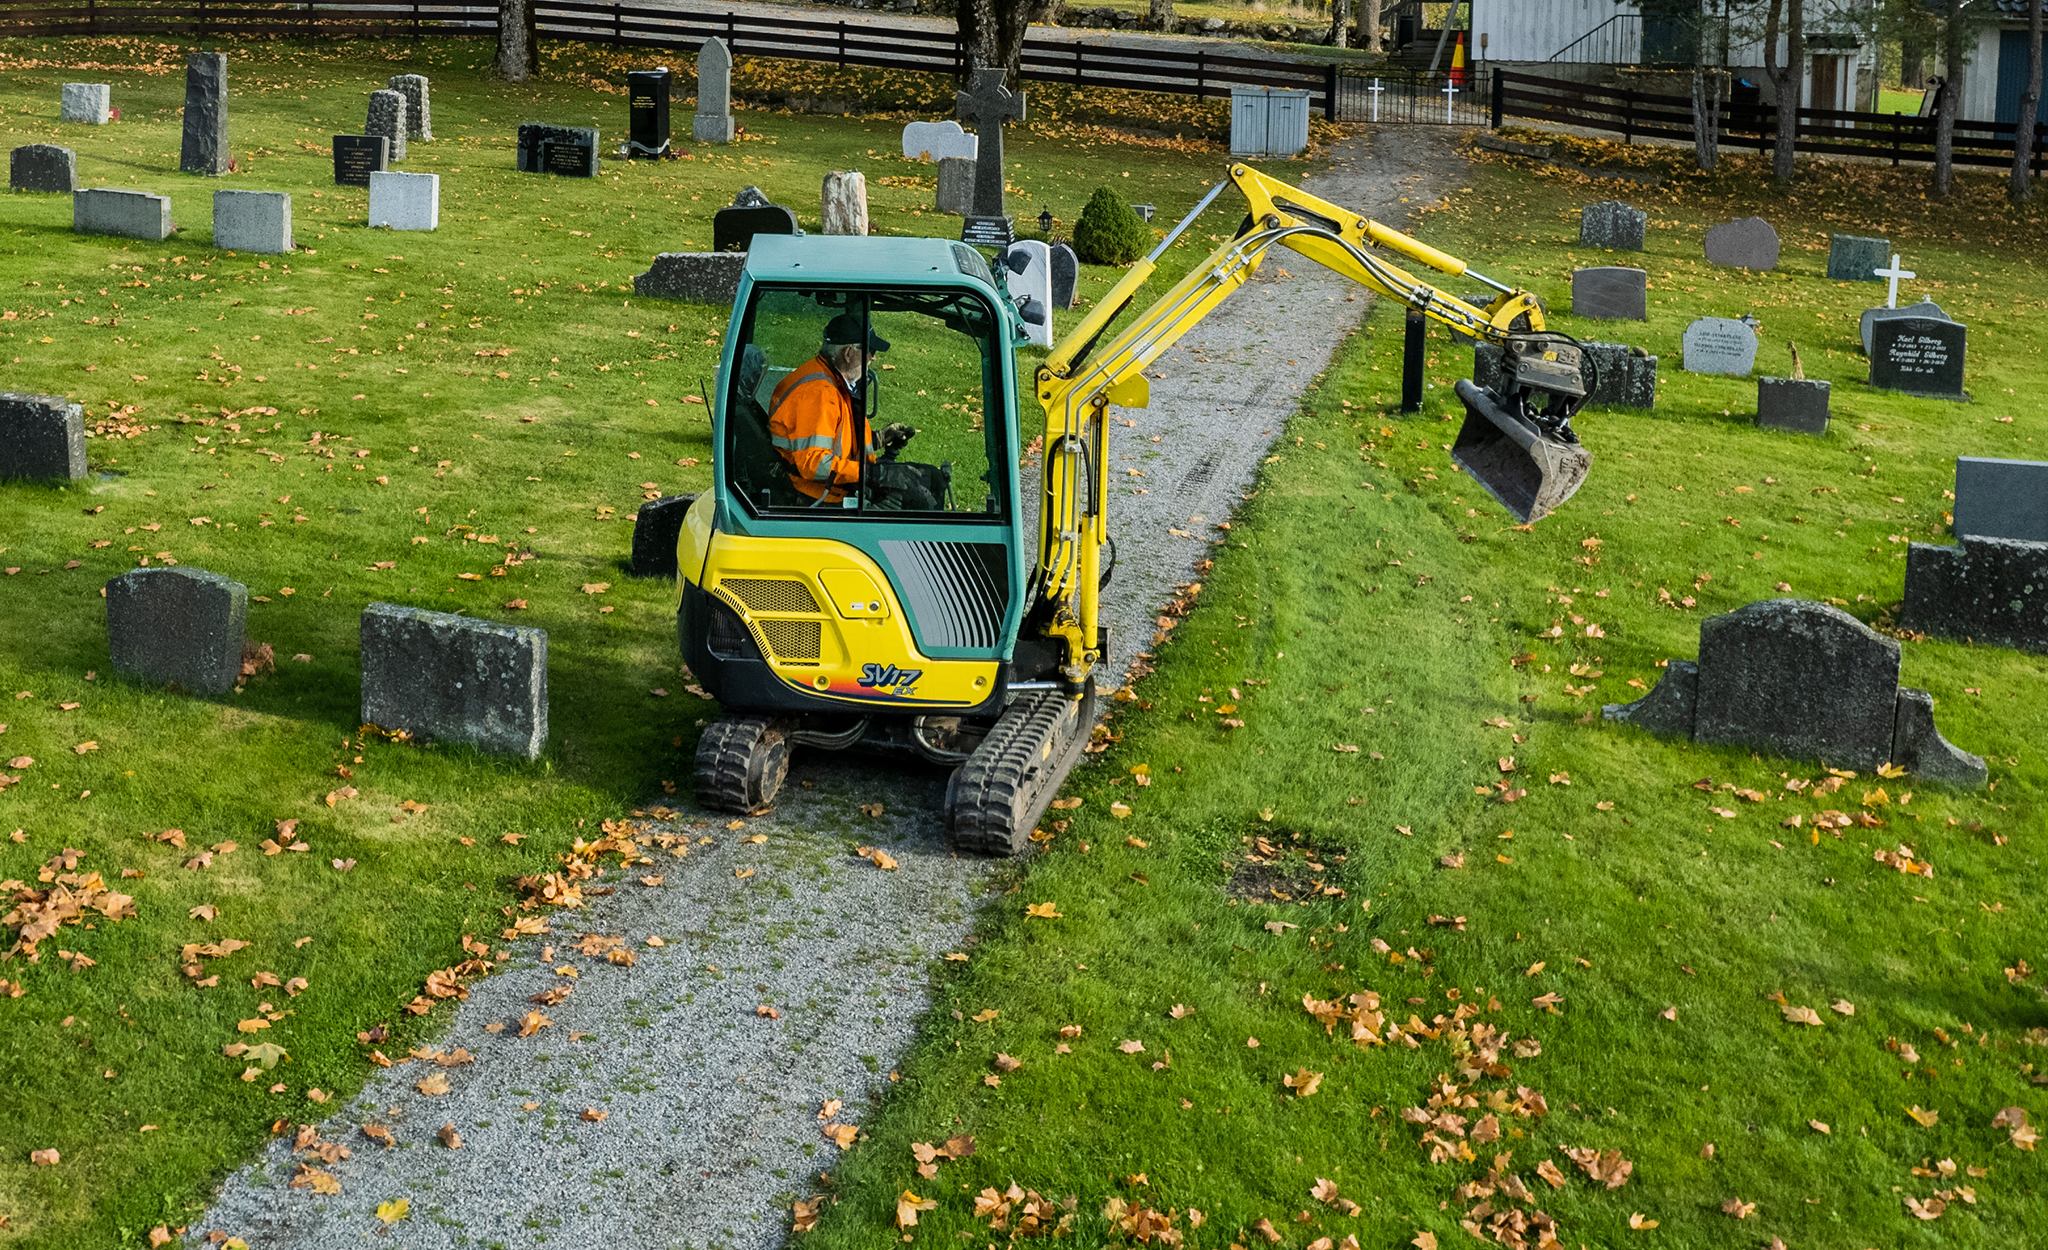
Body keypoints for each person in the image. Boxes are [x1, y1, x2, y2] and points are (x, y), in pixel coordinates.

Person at [768, 313, 929, 507]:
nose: (874, 357)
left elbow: (838, 439)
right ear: (848, 353)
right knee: (921, 499)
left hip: (831, 489)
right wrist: (873, 474)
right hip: (818, 498)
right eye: (870, 350)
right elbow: (814, 465)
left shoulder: (832, 380)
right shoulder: (818, 393)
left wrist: (881, 438)